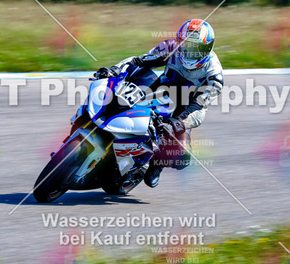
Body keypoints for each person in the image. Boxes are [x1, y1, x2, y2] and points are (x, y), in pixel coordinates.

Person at [92, 19, 223, 188]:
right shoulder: (170, 47)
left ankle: (156, 164)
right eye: (186, 46)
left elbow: (199, 106)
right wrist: (114, 70)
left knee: (182, 157)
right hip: (162, 87)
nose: (190, 53)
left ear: (207, 48)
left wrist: (178, 123)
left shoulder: (214, 74)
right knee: (122, 92)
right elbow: (139, 61)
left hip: (186, 107)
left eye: (196, 49)